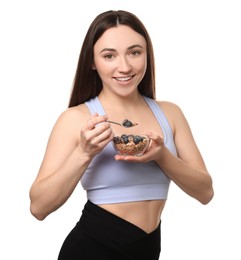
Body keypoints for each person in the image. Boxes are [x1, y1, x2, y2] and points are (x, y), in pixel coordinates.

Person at [29, 10, 214, 260]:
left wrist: (162, 156)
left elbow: (205, 192)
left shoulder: (170, 113)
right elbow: (39, 207)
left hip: (147, 251)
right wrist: (83, 153)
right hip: (91, 251)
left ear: (147, 55)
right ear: (92, 62)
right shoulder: (76, 119)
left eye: (134, 52)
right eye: (109, 56)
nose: (124, 66)